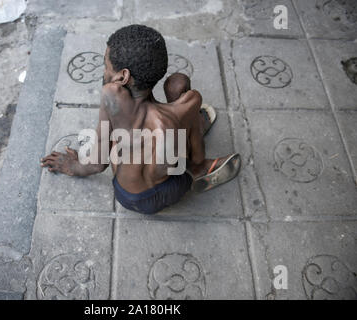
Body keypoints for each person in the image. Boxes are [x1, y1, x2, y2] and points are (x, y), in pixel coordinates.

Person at [40, 24, 241, 214]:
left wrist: (74, 166)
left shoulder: (110, 98)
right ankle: (199, 167)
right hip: (161, 190)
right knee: (178, 86)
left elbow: (98, 164)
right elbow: (195, 156)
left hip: (126, 193)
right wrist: (190, 118)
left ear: (122, 77)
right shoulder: (177, 113)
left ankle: (191, 143)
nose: (104, 71)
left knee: (142, 138)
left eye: (105, 65)